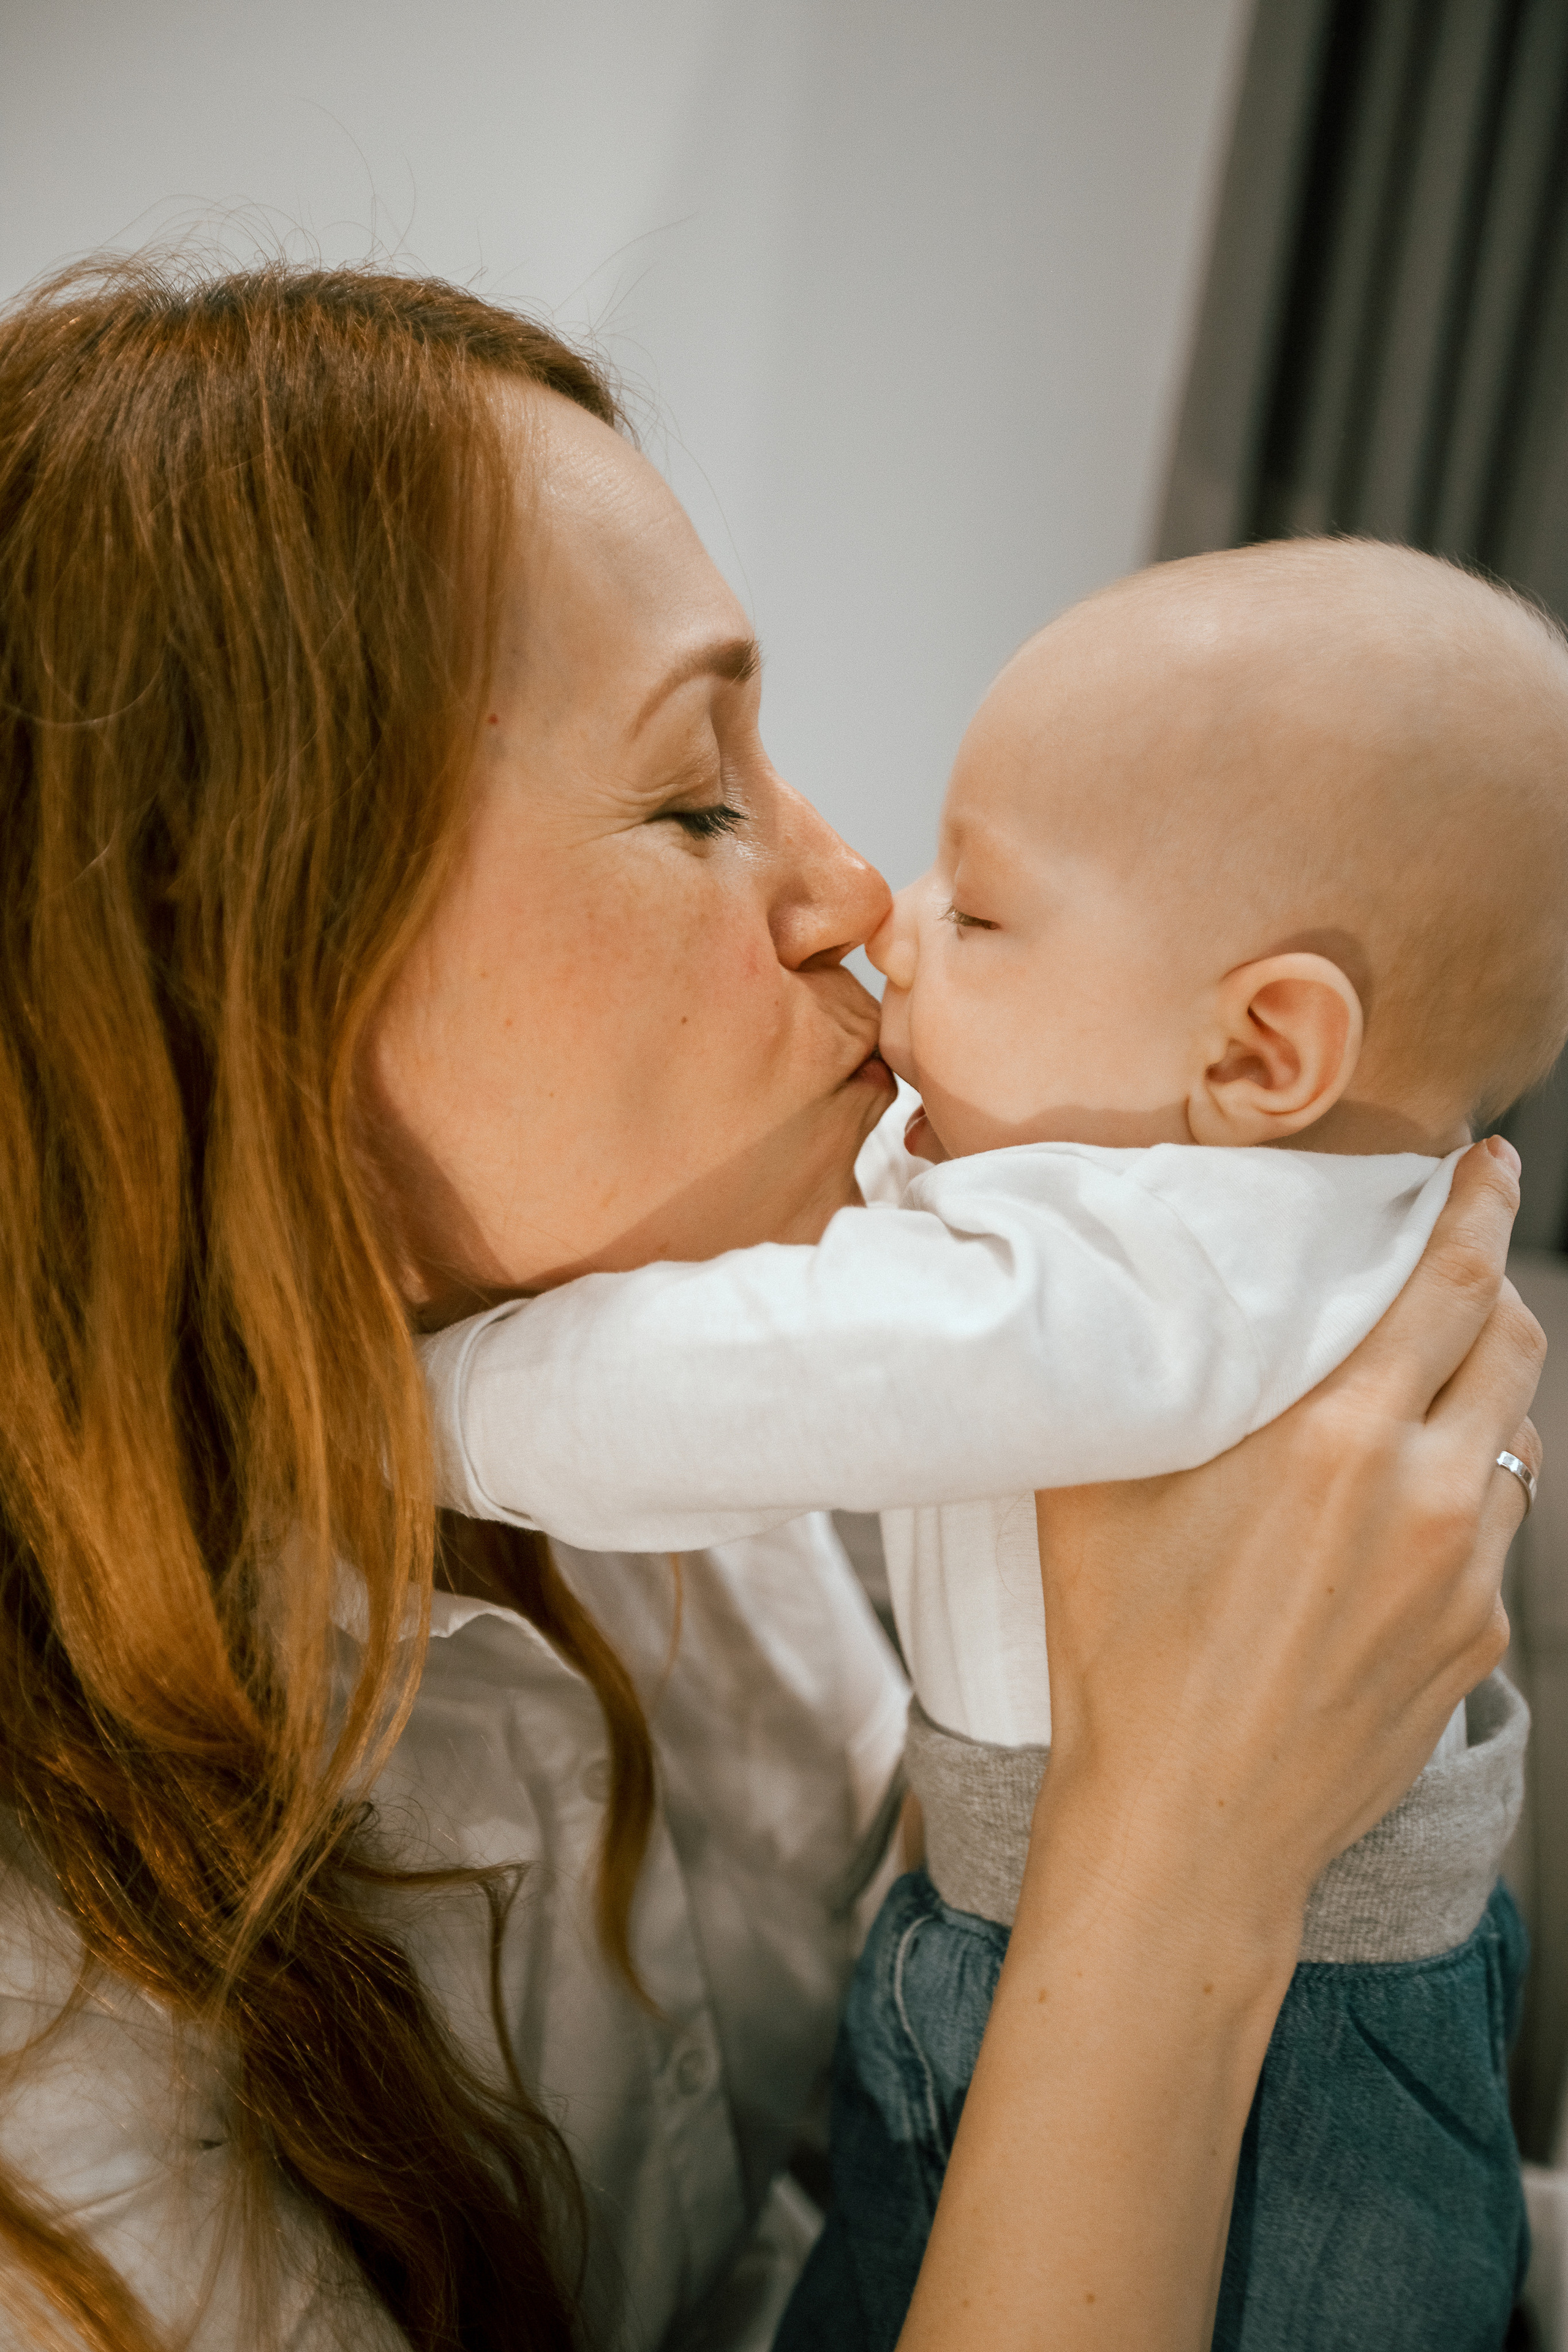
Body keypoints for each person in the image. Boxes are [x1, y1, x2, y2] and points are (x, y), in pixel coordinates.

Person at [0, 256, 1539, 2352]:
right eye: (694, 799)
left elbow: (854, 2160)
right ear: (240, 995)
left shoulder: (672, 1467)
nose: (846, 898)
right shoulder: (48, 2063)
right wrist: (1178, 1856)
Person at [421, 537, 1561, 2347]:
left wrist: (425, 1407)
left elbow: (771, 1373)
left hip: (1273, 2062)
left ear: (1265, 1049)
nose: (886, 905)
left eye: (986, 910)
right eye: (695, 802)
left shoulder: (1175, 1267)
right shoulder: (1228, 1220)